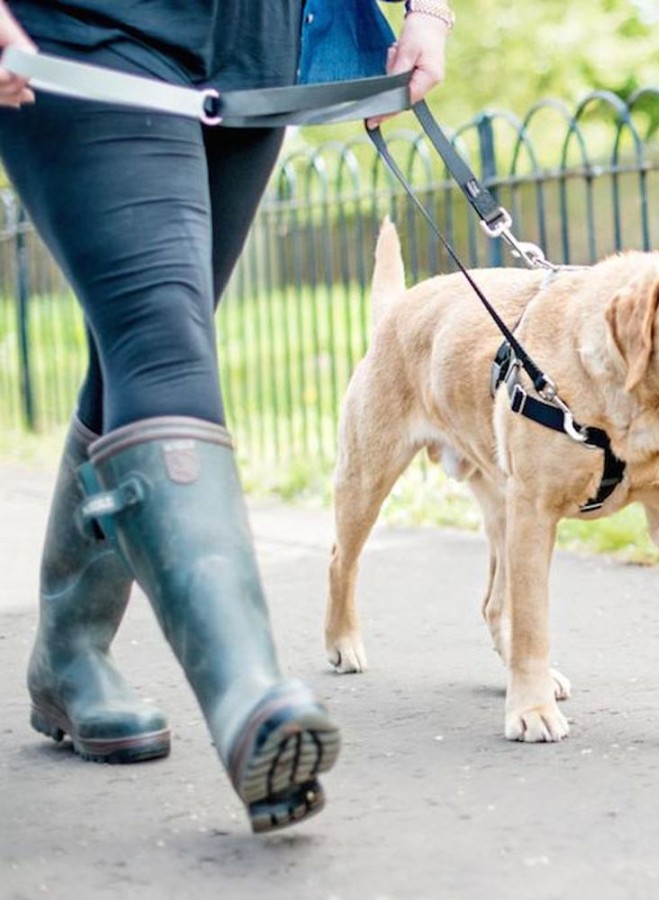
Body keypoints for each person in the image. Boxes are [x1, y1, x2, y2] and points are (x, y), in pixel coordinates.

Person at [0, 0, 451, 834]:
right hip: (86, 30)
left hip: (253, 43)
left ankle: (69, 654)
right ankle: (250, 698)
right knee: (161, 341)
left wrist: (429, 11)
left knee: (142, 343)